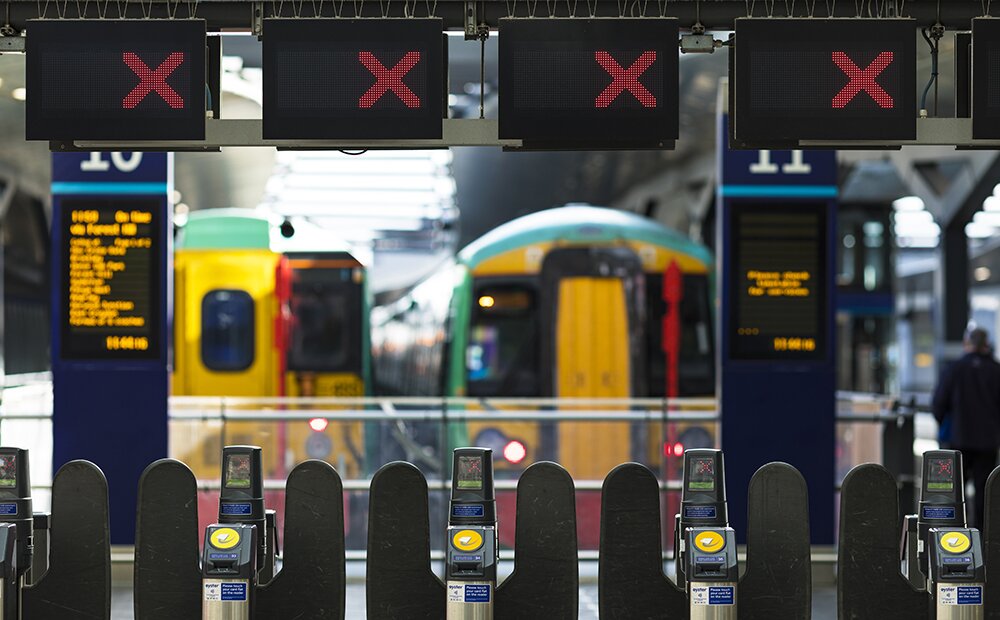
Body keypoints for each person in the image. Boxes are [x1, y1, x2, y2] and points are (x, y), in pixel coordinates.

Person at [932, 327, 1000, 529]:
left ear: (966, 343)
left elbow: (938, 404)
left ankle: (956, 535)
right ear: (986, 344)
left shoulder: (954, 369)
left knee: (955, 492)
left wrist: (946, 426)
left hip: (957, 442)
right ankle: (982, 537)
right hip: (987, 442)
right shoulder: (997, 370)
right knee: (985, 491)